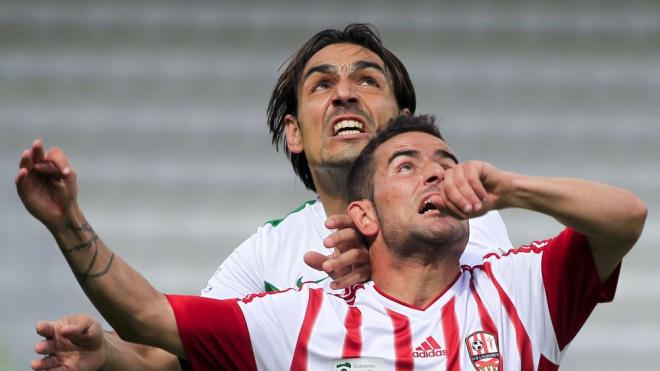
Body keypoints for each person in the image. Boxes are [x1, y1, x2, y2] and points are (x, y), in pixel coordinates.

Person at [21, 24, 510, 370]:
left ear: (404, 119)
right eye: (322, 84)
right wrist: (107, 355)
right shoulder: (267, 252)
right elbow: (170, 351)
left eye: (366, 80)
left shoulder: (461, 207)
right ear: (294, 133)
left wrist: (382, 269)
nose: (344, 95)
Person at [23, 114, 646, 370]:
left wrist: (512, 188)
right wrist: (66, 222)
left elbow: (627, 218)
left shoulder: (520, 284)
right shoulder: (301, 313)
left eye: (445, 161)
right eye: (406, 165)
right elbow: (151, 317)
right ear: (363, 217)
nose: (437, 172)